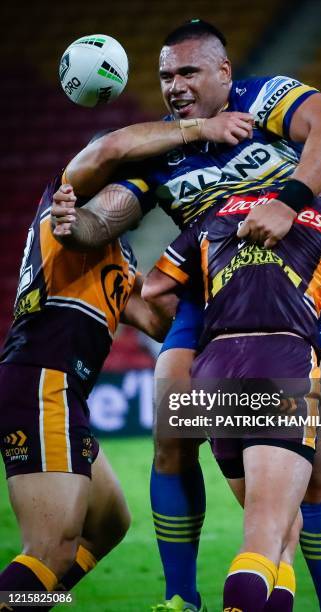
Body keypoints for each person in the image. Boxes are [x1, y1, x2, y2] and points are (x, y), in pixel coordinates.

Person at [50, 19, 321, 611]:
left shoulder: (265, 98)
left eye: (188, 71)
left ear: (224, 72)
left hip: (293, 284)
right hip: (207, 294)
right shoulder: (168, 144)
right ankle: (180, 597)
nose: (175, 85)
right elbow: (102, 215)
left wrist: (290, 202)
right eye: (166, 75)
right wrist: (77, 224)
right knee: (172, 426)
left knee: (318, 463)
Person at [144, 158, 321, 611]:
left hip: (212, 367)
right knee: (266, 537)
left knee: (282, 535)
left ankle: (178, 598)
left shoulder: (220, 210)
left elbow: (153, 289)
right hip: (283, 360)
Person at [0, 168, 167, 612]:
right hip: (41, 377)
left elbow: (156, 321)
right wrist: (194, 130)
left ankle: (23, 604)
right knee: (50, 548)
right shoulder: (72, 207)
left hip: (64, 388)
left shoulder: (117, 253)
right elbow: (105, 156)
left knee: (108, 523)